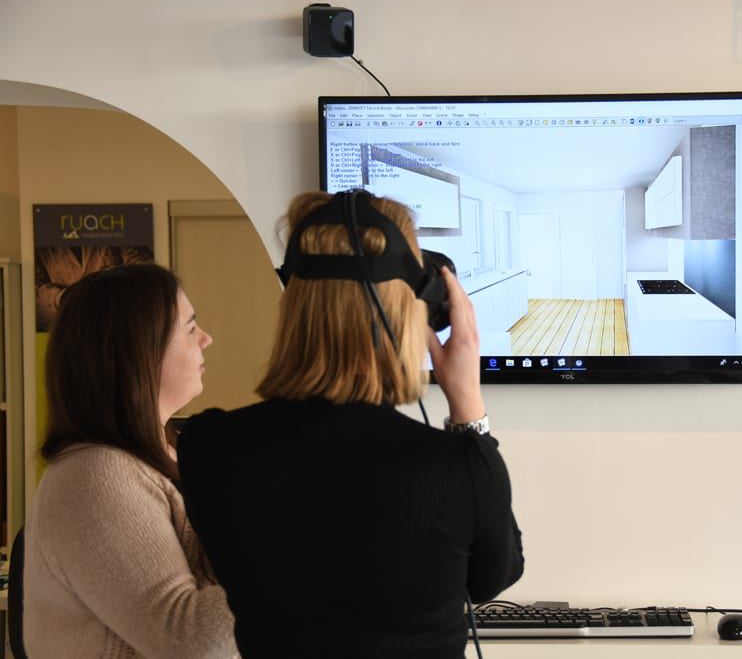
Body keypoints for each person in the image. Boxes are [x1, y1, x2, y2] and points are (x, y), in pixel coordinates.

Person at [177, 190, 524, 658]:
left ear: (294, 304)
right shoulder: (454, 466)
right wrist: (468, 405)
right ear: (414, 311)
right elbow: (491, 579)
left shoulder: (207, 446)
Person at [23, 263, 239, 659]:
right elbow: (189, 643)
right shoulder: (97, 477)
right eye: (190, 328)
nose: (206, 339)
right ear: (140, 351)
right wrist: (299, 559)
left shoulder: (157, 456)